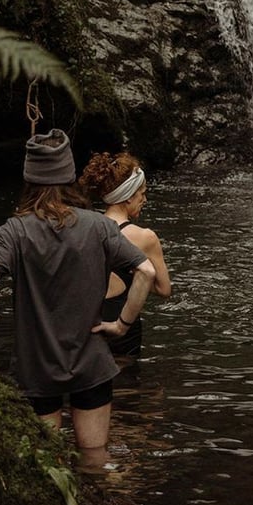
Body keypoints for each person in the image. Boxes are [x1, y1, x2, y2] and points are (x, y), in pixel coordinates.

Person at [0, 129, 155, 465]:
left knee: (47, 464)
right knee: (95, 457)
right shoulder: (99, 226)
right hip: (91, 363)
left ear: (29, 178)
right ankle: (101, 498)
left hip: (37, 369)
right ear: (69, 176)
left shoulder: (15, 231)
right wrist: (121, 325)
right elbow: (146, 272)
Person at [79, 150, 173, 358]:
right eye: (142, 193)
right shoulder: (145, 237)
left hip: (86, 324)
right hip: (121, 325)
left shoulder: (85, 229)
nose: (144, 199)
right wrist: (134, 272)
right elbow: (164, 289)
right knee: (126, 375)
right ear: (129, 197)